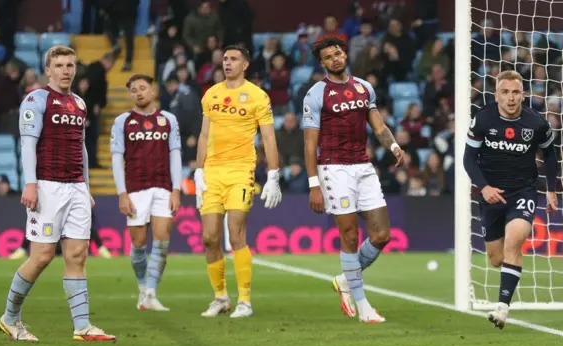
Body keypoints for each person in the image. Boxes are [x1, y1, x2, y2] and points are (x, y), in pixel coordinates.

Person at [0, 45, 115, 342]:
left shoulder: (79, 103)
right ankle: (10, 319)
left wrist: (86, 187)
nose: (66, 70)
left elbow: (83, 149)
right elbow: (28, 143)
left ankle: (82, 326)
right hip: (47, 184)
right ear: (48, 69)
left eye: (70, 65)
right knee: (42, 256)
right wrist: (31, 183)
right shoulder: (36, 99)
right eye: (60, 65)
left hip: (76, 186)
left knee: (77, 254)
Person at [303, 38, 404, 323]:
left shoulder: (364, 87)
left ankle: (346, 280)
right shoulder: (316, 94)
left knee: (382, 235)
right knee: (349, 236)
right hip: (334, 170)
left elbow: (378, 125)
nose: (335, 58)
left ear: (344, 54)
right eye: (328, 57)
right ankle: (363, 308)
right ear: (322, 64)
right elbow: (310, 145)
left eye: (338, 53)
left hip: (363, 166)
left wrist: (394, 146)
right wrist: (314, 185)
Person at [462, 69, 558, 329]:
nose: (511, 98)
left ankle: (502, 308)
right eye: (505, 92)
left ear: (523, 95)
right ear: (497, 95)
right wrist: (483, 187)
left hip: (523, 192)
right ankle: (508, 277)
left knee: (514, 242)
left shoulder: (536, 123)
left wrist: (550, 188)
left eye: (515, 92)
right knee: (496, 258)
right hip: (491, 195)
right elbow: (468, 159)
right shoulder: (482, 120)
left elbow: (550, 154)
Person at [194, 45, 282, 319]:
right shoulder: (211, 93)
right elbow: (204, 135)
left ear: (245, 65)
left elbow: (268, 137)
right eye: (225, 59)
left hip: (241, 171)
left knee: (235, 234)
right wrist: (198, 171)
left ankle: (245, 300)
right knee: (209, 238)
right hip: (212, 172)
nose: (227, 63)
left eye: (233, 59)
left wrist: (273, 175)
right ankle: (220, 297)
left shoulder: (258, 96)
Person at [110, 74, 182, 311]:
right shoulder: (122, 121)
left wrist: (176, 189)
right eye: (133, 90)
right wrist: (122, 193)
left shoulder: (168, 120)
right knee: (139, 243)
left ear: (153, 91)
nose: (138, 93)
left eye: (142, 88)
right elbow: (117, 158)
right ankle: (142, 287)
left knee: (162, 241)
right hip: (135, 190)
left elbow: (175, 155)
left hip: (162, 187)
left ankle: (151, 293)